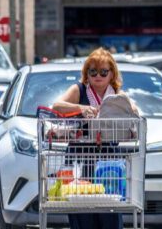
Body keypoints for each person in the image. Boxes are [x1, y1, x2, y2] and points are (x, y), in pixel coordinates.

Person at [53, 48, 136, 229]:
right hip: (80, 156)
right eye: (93, 72)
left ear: (112, 73)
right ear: (86, 74)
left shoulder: (117, 95)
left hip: (108, 159)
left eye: (103, 72)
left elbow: (135, 113)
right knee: (81, 209)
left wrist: (126, 110)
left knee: (110, 210)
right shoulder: (79, 90)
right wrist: (81, 108)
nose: (98, 76)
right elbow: (57, 106)